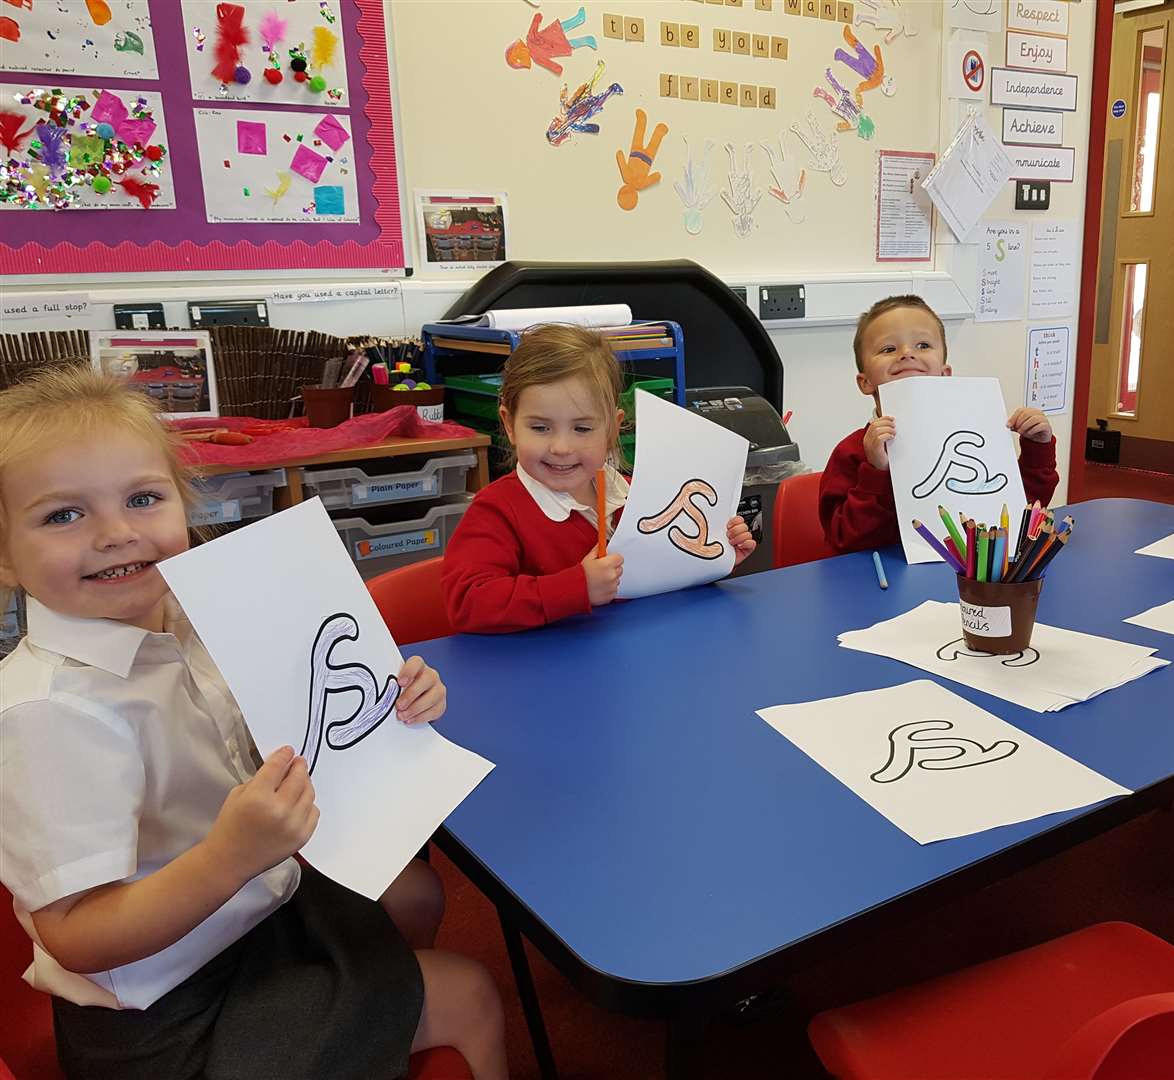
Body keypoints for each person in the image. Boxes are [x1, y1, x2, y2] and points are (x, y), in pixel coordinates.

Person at [0, 367, 507, 1080]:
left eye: (142, 498)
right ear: (4, 555)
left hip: (249, 910)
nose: (116, 534)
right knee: (473, 994)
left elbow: (292, 724)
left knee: (414, 894)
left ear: (182, 505)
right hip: (163, 1007)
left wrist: (393, 698)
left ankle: (374, 1024)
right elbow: (77, 936)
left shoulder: (193, 621)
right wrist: (230, 856)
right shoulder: (47, 715)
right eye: (63, 515)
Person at [443, 324, 755, 633]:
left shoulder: (635, 492)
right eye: (540, 428)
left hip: (631, 658)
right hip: (549, 671)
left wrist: (713, 557)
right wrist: (577, 587)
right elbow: (467, 602)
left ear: (612, 429)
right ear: (509, 425)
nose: (561, 447)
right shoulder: (497, 510)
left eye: (582, 429)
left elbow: (662, 575)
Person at [819, 295, 1059, 553]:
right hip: (882, 582)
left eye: (923, 345)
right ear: (864, 382)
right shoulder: (851, 452)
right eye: (888, 349)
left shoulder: (974, 434)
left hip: (967, 576)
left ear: (945, 373)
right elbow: (843, 540)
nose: (907, 354)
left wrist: (1037, 447)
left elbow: (1022, 512)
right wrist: (876, 471)